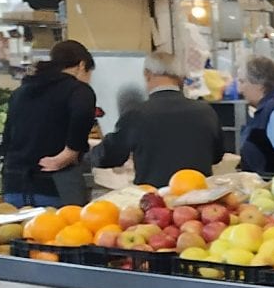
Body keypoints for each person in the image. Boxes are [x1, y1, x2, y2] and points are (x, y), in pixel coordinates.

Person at [90, 52, 225, 191]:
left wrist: (91, 153)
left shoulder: (137, 114)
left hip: (155, 200)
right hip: (198, 198)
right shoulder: (205, 111)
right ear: (180, 77)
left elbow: (110, 156)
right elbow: (217, 156)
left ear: (147, 74)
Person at [0, 39, 98, 208]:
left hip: (14, 184)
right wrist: (69, 153)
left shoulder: (21, 91)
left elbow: (7, 137)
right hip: (55, 186)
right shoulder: (78, 90)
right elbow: (82, 113)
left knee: (16, 232)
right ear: (81, 65)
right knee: (61, 232)